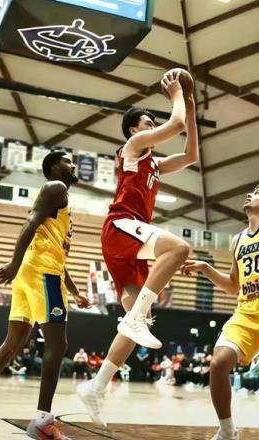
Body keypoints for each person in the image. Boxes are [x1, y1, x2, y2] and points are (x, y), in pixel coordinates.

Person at [77, 70, 198, 426]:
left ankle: (96, 387)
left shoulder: (155, 164)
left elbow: (190, 154)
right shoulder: (132, 148)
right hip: (121, 226)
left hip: (132, 239)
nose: (152, 126)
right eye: (148, 122)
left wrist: (191, 107)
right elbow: (176, 125)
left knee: (136, 324)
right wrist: (177, 96)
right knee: (179, 249)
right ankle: (134, 317)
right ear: (134, 130)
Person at [0, 151, 91, 440]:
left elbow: (56, 254)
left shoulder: (60, 202)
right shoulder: (56, 187)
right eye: (68, 161)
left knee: (11, 345)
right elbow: (30, 223)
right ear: (54, 167)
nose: (73, 165)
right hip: (42, 273)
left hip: (34, 274)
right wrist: (13, 263)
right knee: (57, 343)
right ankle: (43, 420)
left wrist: (76, 292)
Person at [182, 183, 259, 440]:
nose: (250, 195)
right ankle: (227, 431)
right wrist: (205, 268)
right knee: (218, 363)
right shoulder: (237, 240)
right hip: (245, 312)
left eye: (257, 194)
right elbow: (233, 286)